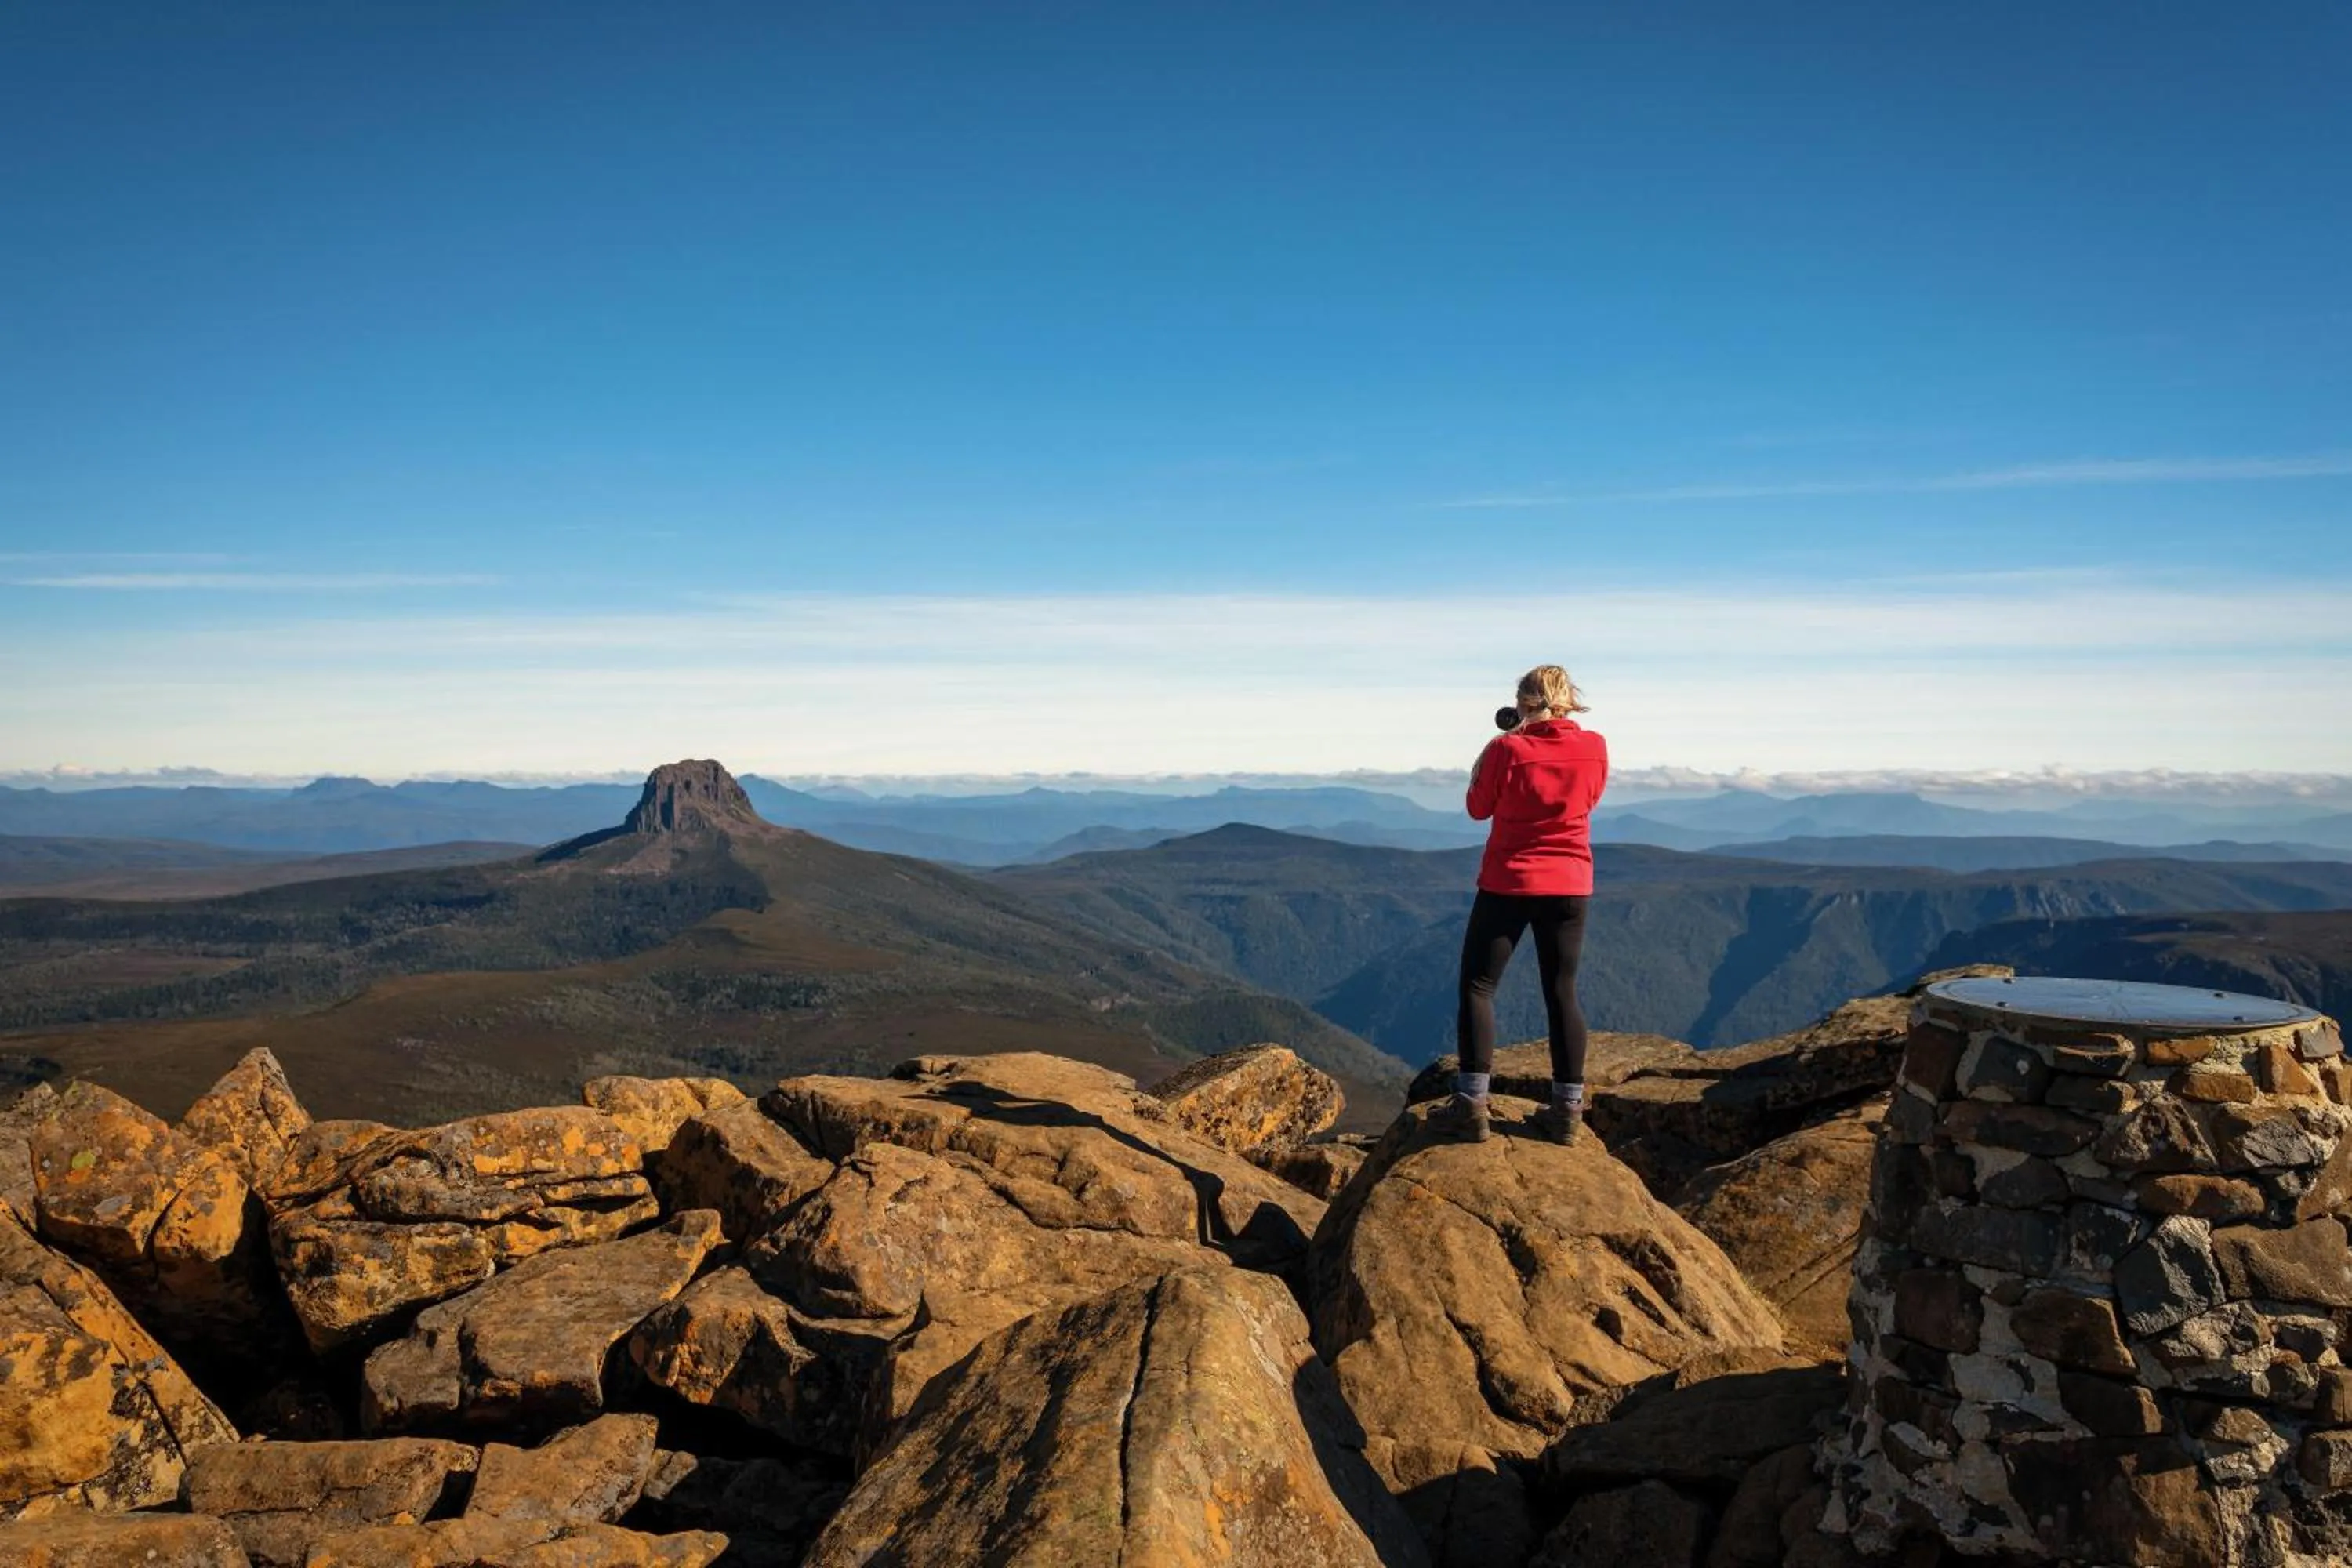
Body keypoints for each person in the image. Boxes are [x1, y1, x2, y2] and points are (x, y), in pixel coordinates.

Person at [1429, 664, 1609, 1145]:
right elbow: (1588, 799)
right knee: (1562, 991)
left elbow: (1477, 807)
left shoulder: (1507, 749)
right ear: (1569, 699)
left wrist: (1492, 750)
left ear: (1523, 702)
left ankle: (1471, 1106)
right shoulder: (1595, 747)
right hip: (1570, 883)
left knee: (1479, 986)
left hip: (1509, 882)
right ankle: (1568, 1111)